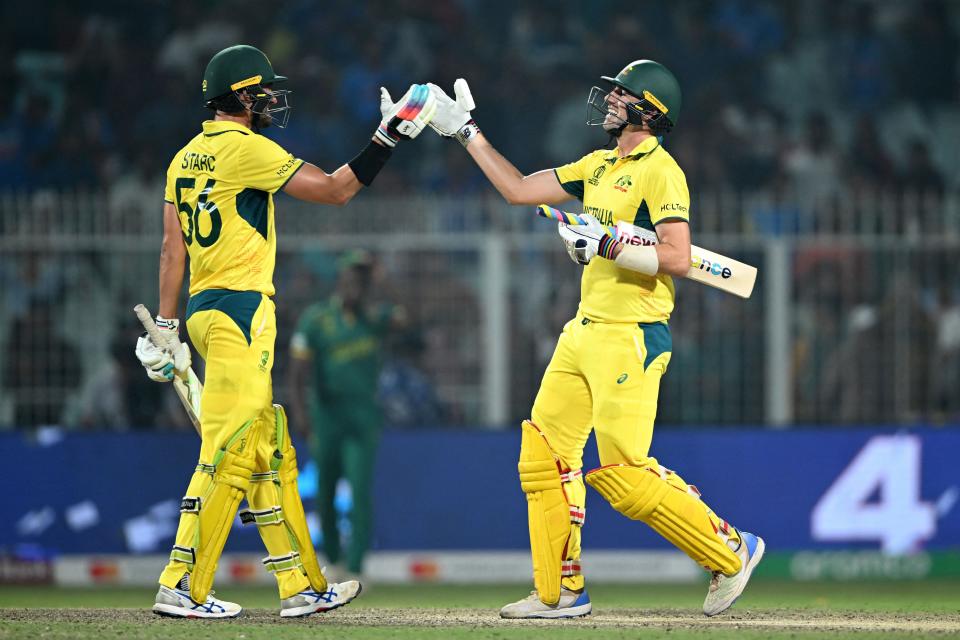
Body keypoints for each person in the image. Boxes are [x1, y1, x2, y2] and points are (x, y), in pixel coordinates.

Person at [427, 61, 764, 618]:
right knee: (544, 456)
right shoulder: (599, 164)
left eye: (622, 95)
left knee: (623, 474)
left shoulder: (662, 172)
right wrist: (466, 131)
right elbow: (516, 189)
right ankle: (559, 592)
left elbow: (678, 257)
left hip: (632, 335)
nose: (609, 100)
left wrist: (610, 248)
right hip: (583, 330)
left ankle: (731, 549)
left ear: (650, 111)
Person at [133, 44, 435, 619]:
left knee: (266, 450)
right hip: (242, 313)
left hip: (203, 309)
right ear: (243, 96)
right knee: (231, 451)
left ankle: (299, 584)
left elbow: (173, 250)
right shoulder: (245, 149)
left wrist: (168, 327)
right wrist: (389, 135)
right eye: (265, 90)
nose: (272, 99)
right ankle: (182, 584)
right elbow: (336, 190)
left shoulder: (184, 157)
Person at [289, 250, 404, 580]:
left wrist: (385, 284)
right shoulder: (316, 319)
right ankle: (334, 562)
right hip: (326, 415)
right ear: (340, 280)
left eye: (363, 279)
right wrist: (301, 414)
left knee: (359, 489)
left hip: (362, 415)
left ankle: (355, 569)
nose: (357, 284)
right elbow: (298, 372)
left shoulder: (375, 316)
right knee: (324, 491)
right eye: (352, 277)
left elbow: (407, 318)